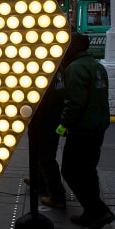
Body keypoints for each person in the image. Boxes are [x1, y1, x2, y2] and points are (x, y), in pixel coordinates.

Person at [57, 33, 115, 229]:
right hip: (98, 127)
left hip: (82, 129)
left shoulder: (75, 69)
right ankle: (90, 215)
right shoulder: (96, 66)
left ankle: (99, 211)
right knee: (89, 172)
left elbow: (75, 103)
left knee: (70, 171)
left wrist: (63, 125)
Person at [26, 68, 67, 208]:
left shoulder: (45, 70)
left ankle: (57, 196)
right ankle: (40, 181)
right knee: (42, 154)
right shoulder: (57, 68)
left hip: (45, 120)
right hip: (52, 119)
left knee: (46, 157)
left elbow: (43, 99)